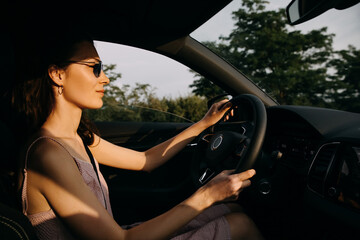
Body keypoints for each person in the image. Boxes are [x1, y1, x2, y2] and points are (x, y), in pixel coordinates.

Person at [10, 28, 263, 240]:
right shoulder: (48, 153)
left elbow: (146, 161)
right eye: (94, 68)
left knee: (229, 207)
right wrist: (207, 195)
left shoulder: (77, 138)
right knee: (241, 225)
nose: (105, 78)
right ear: (57, 74)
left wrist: (205, 123)